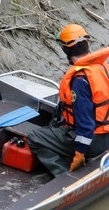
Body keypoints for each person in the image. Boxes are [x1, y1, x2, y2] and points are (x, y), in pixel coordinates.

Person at [27, 24, 109, 177]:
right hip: (106, 135)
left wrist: (80, 153)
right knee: (55, 124)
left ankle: (64, 175)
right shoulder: (102, 66)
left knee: (34, 137)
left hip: (92, 142)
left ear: (66, 50)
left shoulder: (80, 80)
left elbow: (86, 125)